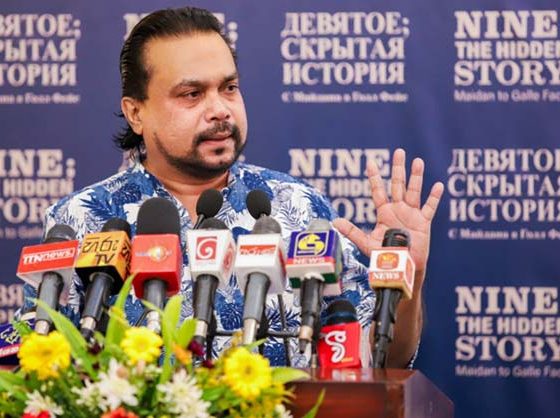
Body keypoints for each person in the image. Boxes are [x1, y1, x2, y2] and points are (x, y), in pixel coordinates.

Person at [20, 7, 443, 368]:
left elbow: (381, 362)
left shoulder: (297, 206)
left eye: (229, 88)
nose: (220, 110)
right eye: (192, 94)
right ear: (136, 113)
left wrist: (409, 278)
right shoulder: (82, 218)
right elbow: (42, 365)